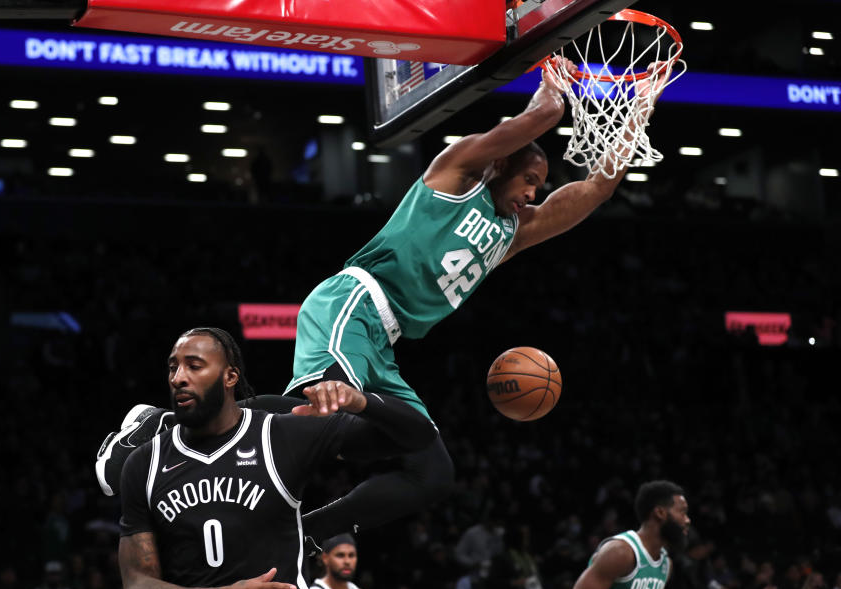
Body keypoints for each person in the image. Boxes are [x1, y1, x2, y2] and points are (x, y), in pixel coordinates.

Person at [279, 56, 675, 542]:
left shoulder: (513, 233)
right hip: (353, 303)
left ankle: (307, 534)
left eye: (540, 187)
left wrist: (640, 110)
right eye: (530, 180)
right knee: (327, 406)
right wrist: (554, 79)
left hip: (385, 344)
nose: (534, 193)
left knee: (431, 468)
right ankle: (211, 424)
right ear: (502, 164)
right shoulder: (457, 172)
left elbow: (598, 187)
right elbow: (540, 118)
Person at [116, 327, 436, 589]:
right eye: (173, 367)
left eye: (194, 365)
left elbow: (418, 437)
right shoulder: (144, 464)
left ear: (230, 377)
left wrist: (361, 401)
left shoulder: (281, 435)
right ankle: (158, 422)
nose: (178, 377)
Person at [554, 480, 690, 589]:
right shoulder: (621, 552)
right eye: (682, 512)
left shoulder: (665, 566)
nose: (687, 520)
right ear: (660, 513)